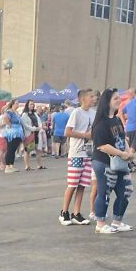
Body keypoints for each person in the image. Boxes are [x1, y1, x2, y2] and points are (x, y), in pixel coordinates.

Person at [90, 88, 135, 235]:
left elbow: (123, 138)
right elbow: (102, 146)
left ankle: (117, 221)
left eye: (119, 98)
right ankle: (100, 223)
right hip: (104, 162)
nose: (119, 100)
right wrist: (122, 154)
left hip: (121, 162)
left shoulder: (116, 120)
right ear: (107, 101)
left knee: (126, 191)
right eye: (115, 98)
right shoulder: (100, 123)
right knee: (104, 192)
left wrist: (128, 152)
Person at [59, 88, 95, 225]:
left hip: (88, 153)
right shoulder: (76, 112)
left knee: (82, 185)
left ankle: (76, 212)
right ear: (83, 99)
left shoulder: (93, 113)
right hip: (76, 153)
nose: (93, 98)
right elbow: (67, 132)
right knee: (72, 184)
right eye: (91, 96)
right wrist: (84, 135)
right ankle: (64, 211)